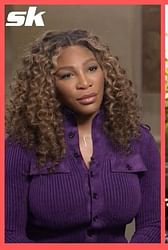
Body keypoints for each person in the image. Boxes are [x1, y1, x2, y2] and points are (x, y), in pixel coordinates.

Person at [5, 29, 160, 243]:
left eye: (92, 69)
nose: (84, 82)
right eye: (67, 75)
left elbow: (153, 225)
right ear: (48, 85)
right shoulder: (20, 146)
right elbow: (9, 234)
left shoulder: (139, 140)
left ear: (105, 72)